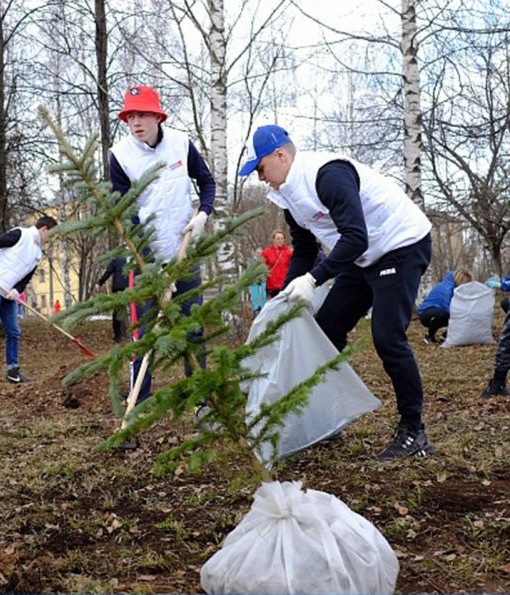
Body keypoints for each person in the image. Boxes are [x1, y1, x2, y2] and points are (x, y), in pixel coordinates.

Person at [239, 124, 433, 460]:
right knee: (326, 329)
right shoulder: (288, 195)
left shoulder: (327, 175)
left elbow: (354, 235)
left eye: (260, 168)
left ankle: (413, 431)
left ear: (280, 155)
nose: (260, 178)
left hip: (399, 245)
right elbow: (303, 249)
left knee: (387, 335)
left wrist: (314, 280)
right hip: (361, 256)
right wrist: (288, 292)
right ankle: (328, 419)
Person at [109, 85, 215, 405]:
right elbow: (124, 212)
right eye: (130, 117)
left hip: (184, 253)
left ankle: (201, 403)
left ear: (157, 116)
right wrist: (149, 262)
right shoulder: (120, 156)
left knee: (192, 330)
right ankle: (138, 406)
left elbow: (206, 182)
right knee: (144, 336)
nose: (136, 122)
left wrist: (203, 215)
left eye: (142, 115)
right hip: (144, 261)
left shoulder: (181, 145)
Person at [0, 215, 58, 389]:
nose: (50, 240)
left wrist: (17, 290)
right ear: (44, 229)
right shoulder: (20, 234)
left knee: (14, 331)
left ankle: (12, 371)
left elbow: (26, 277)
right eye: (51, 235)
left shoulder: (38, 253)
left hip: (8, 293)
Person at [417, 268, 473, 344]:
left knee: (459, 317)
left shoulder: (455, 289)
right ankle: (429, 335)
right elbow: (446, 306)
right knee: (446, 314)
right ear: (460, 280)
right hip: (426, 313)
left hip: (438, 311)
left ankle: (444, 337)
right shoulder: (446, 288)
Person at [96, 255, 128, 342]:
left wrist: (100, 282)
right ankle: (135, 334)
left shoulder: (117, 258)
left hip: (118, 288)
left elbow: (108, 271)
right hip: (132, 287)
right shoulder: (133, 257)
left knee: (117, 312)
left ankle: (118, 335)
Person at [261, 229, 293, 298]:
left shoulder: (288, 252)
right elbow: (262, 267)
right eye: (278, 239)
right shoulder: (266, 252)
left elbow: (292, 267)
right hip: (272, 285)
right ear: (273, 240)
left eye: (282, 238)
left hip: (285, 284)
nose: (280, 240)